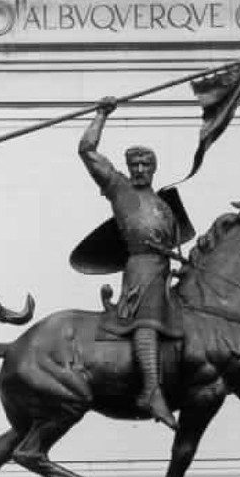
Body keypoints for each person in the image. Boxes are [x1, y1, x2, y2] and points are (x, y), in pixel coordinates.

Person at [78, 96, 182, 431]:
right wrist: (101, 115)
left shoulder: (164, 206)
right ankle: (151, 390)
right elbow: (87, 151)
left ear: (154, 168)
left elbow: (173, 243)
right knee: (147, 320)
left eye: (144, 165)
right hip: (140, 268)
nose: (138, 170)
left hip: (164, 270)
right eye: (134, 165)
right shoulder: (119, 188)